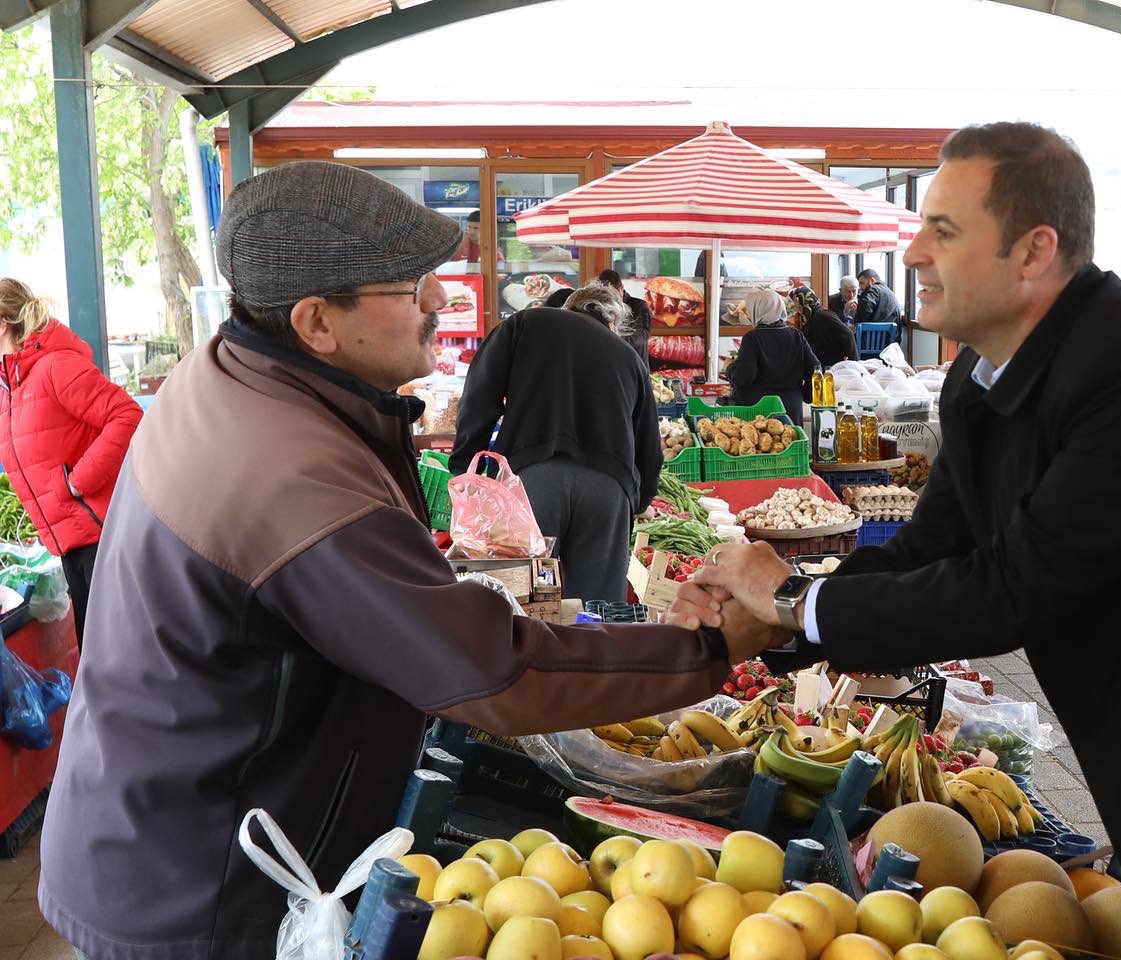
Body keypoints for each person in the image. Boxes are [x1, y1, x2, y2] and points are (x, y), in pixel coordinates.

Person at [669, 123, 1121, 959]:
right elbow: (934, 550)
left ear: (1033, 252)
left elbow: (1014, 588)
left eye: (943, 230)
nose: (914, 253)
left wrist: (789, 599)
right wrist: (778, 618)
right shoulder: (980, 378)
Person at [38, 162, 773, 960]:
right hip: (199, 890)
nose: (440, 300)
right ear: (317, 321)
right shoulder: (288, 473)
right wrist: (705, 649)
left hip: (152, 839)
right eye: (411, 285)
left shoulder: (229, 376)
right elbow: (489, 671)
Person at [452, 283, 660, 601]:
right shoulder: (629, 358)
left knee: (524, 600)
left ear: (568, 308)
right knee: (595, 608)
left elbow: (479, 396)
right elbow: (649, 448)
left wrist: (465, 466)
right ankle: (594, 649)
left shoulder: (525, 323)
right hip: (607, 490)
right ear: (613, 323)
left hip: (533, 480)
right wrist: (640, 502)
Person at [0, 278, 141, 648]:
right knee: (99, 662)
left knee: (118, 661)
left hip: (102, 536)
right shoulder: (10, 392)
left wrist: (77, 483)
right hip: (68, 544)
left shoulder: (54, 368)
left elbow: (127, 416)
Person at [724, 289, 818, 424]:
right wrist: (805, 395)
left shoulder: (752, 339)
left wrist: (730, 368)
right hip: (790, 409)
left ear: (757, 310)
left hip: (757, 412)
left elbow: (744, 377)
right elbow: (815, 370)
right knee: (793, 443)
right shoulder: (796, 336)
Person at [789, 285, 858, 368]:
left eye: (796, 304)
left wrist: (851, 364)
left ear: (803, 302)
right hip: (822, 363)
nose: (794, 307)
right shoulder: (809, 316)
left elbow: (847, 334)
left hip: (833, 365)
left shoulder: (823, 315)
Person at [599, 267, 653, 361]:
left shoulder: (639, 306)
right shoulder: (600, 307)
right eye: (607, 296)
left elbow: (641, 337)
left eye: (614, 295)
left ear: (622, 289)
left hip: (636, 367)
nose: (611, 300)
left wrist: (611, 339)